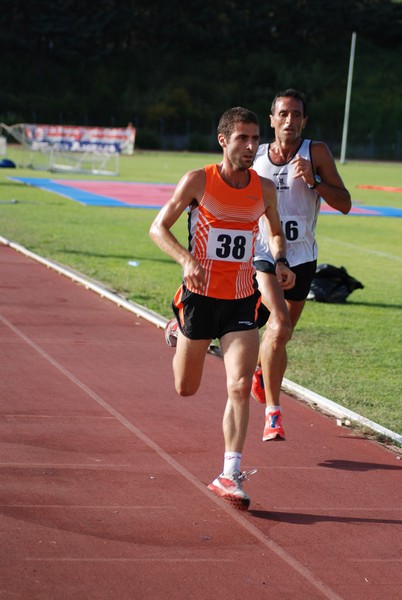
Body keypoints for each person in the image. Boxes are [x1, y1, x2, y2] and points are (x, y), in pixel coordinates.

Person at [149, 107, 295, 510]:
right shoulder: (199, 180)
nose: (251, 147)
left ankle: (230, 473)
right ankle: (178, 331)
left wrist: (280, 261)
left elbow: (276, 230)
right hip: (199, 297)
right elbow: (157, 228)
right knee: (186, 388)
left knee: (238, 385)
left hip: (240, 300)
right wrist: (185, 259)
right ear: (224, 140)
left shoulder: (263, 188)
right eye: (242, 139)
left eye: (254, 139)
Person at [251, 89, 352, 440]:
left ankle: (261, 372)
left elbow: (345, 203)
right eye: (283, 114)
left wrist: (314, 180)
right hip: (265, 254)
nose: (289, 121)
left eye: (296, 115)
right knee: (277, 326)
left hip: (304, 259)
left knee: (281, 336)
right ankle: (273, 415)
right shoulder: (258, 155)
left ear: (304, 121)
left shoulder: (316, 152)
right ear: (272, 119)